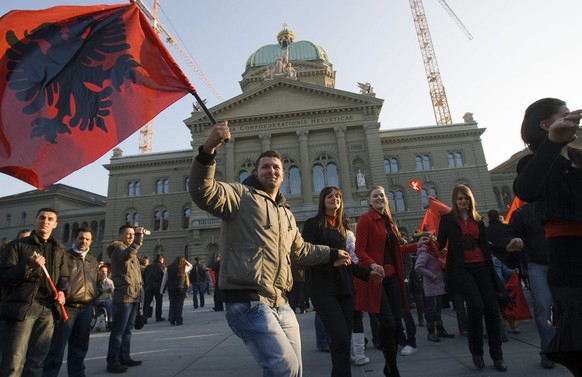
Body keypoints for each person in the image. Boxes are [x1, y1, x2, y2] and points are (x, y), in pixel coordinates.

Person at [189, 121, 351, 377]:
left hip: (280, 302)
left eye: (277, 167)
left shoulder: (285, 213)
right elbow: (203, 191)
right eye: (265, 167)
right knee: (283, 367)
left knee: (295, 369)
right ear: (256, 172)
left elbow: (301, 250)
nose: (272, 171)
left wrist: (331, 254)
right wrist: (208, 148)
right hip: (248, 301)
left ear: (283, 174)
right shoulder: (240, 196)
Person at [513, 98, 582, 375]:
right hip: (569, 259)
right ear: (546, 124)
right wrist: (553, 143)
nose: (572, 120)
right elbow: (526, 190)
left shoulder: (580, 156)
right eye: (564, 116)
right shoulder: (533, 163)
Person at [301, 186, 381, 377]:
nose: (334, 199)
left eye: (337, 196)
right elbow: (306, 257)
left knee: (344, 341)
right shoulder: (313, 224)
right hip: (323, 289)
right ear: (322, 200)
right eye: (329, 196)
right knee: (339, 337)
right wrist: (331, 260)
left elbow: (346, 262)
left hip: (344, 288)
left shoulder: (342, 226)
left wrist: (367, 274)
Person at [436, 185, 516, 372]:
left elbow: (486, 245)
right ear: (455, 201)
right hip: (463, 268)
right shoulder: (447, 220)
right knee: (476, 306)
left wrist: (506, 248)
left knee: (492, 309)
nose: (463, 201)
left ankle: (497, 356)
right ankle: (477, 352)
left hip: (482, 267)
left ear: (471, 200)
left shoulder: (478, 219)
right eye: (460, 198)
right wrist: (425, 243)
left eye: (466, 198)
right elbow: (439, 243)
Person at [354, 186, 429, 377]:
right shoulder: (366, 219)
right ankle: (391, 365)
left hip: (393, 277)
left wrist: (415, 246)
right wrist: (371, 265)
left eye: (382, 195)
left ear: (386, 199)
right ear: (370, 201)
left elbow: (397, 249)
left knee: (396, 323)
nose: (379, 198)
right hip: (377, 279)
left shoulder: (388, 221)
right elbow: (359, 251)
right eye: (375, 195)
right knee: (387, 323)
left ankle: (390, 365)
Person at [0, 208, 69, 377]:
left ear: (55, 224)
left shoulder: (59, 249)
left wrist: (62, 291)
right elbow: (5, 277)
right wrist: (28, 265)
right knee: (13, 360)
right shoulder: (17, 246)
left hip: (48, 309)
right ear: (35, 220)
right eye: (42, 218)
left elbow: (64, 276)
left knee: (37, 361)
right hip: (23, 308)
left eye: (50, 219)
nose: (45, 221)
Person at [43, 227, 98, 377]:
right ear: (75, 238)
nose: (84, 241)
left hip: (86, 308)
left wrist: (96, 295)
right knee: (57, 346)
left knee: (80, 346)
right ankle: (49, 374)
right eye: (81, 238)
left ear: (91, 241)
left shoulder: (92, 260)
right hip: (67, 307)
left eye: (87, 239)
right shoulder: (65, 257)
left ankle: (77, 373)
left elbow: (96, 281)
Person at [506, 203, 555, 368]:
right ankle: (548, 352)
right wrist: (513, 240)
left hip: (563, 263)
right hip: (537, 266)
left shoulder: (557, 205)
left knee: (571, 308)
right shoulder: (522, 213)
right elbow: (510, 233)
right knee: (542, 308)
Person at [105, 225, 147, 374]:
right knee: (118, 331)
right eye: (128, 234)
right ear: (120, 235)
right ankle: (113, 362)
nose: (130, 237)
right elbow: (125, 256)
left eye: (132, 234)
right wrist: (138, 238)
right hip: (123, 296)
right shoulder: (118, 250)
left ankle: (124, 357)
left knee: (128, 330)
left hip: (133, 296)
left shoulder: (131, 253)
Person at [414, 233, 455, 343]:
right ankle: (431, 332)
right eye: (433, 239)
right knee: (431, 310)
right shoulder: (425, 252)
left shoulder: (432, 250)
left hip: (437, 284)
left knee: (437, 309)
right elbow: (418, 267)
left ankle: (440, 329)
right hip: (431, 285)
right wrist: (431, 275)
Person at [160, 256, 192, 325]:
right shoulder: (184, 268)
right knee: (179, 304)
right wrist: (185, 261)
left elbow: (164, 279)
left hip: (171, 288)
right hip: (181, 288)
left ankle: (171, 319)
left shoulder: (168, 268)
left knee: (172, 303)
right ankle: (179, 320)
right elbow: (191, 266)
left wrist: (162, 289)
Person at [143, 254, 165, 322]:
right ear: (161, 259)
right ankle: (158, 317)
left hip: (148, 286)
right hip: (158, 287)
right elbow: (164, 278)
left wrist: (146, 285)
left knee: (147, 303)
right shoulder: (161, 267)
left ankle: (145, 318)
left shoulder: (148, 267)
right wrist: (163, 288)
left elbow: (144, 277)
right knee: (159, 302)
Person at [96, 264, 114, 330]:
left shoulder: (110, 281)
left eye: (105, 271)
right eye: (102, 271)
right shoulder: (95, 280)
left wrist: (111, 290)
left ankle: (111, 321)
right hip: (98, 300)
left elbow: (113, 292)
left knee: (111, 302)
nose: (104, 273)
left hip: (107, 299)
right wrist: (102, 290)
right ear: (99, 272)